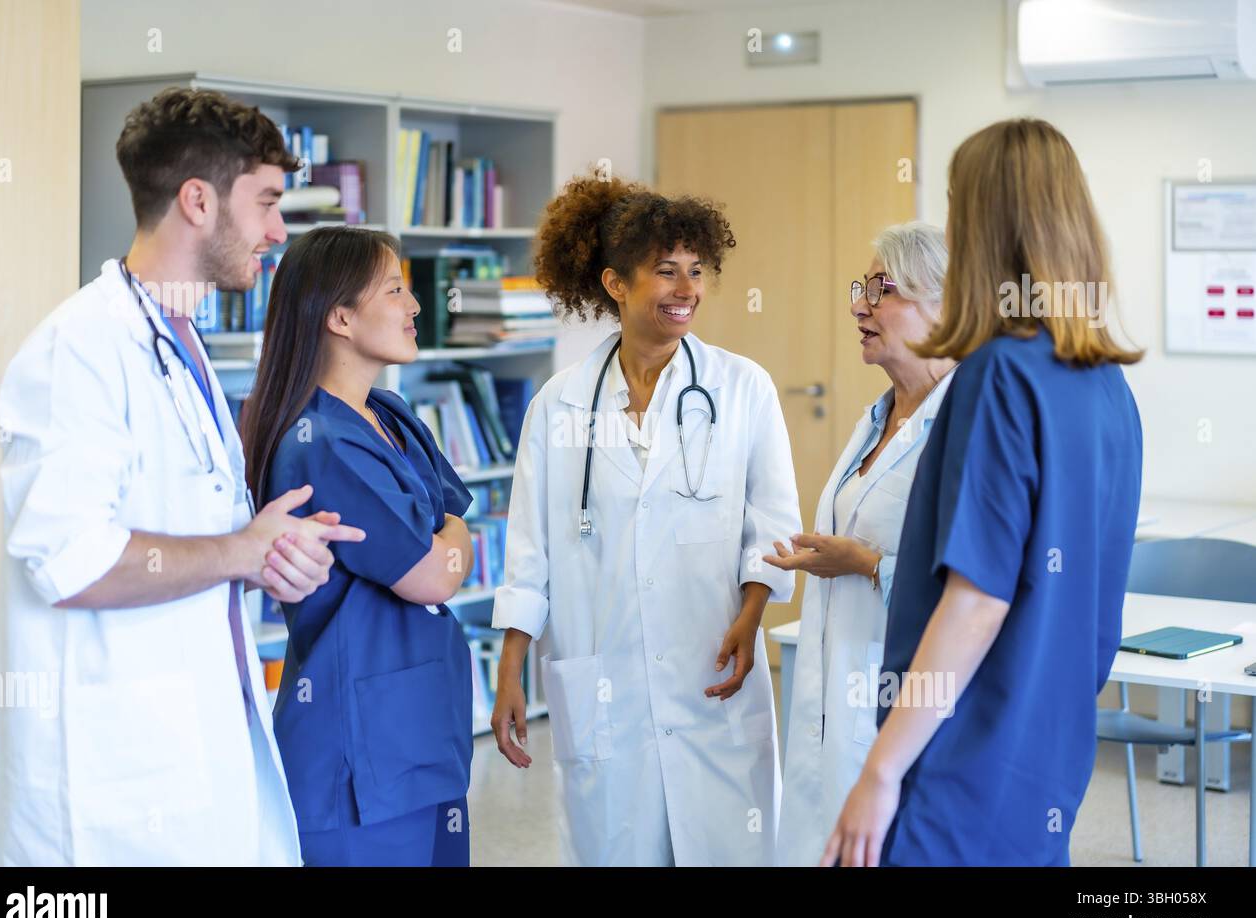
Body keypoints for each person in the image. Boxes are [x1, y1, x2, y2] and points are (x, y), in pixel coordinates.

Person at [0, 87, 364, 866]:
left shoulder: (179, 344)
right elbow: (74, 559)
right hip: (106, 794)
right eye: (264, 201)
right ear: (198, 200)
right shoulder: (81, 351)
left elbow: (200, 542)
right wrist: (240, 553)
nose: (277, 230)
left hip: (199, 752)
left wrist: (272, 560)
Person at [823, 118, 1143, 866]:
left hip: (960, 755)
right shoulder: (1106, 386)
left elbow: (976, 600)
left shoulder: (999, 375)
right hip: (1046, 756)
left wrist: (881, 769)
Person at [489, 175, 801, 866]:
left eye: (697, 270)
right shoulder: (559, 404)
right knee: (615, 846)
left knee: (727, 845)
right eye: (665, 272)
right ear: (616, 283)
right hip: (607, 680)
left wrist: (753, 616)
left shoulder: (742, 388)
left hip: (712, 665)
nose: (686, 288)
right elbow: (529, 550)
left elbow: (772, 525)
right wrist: (511, 666)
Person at [241, 226, 476, 866]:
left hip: (424, 728)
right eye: (396, 289)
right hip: (357, 753)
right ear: (341, 316)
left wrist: (447, 544)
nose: (416, 304)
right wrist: (447, 542)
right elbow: (433, 574)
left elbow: (457, 540)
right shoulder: (321, 441)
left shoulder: (391, 414)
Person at [769, 222, 956, 867]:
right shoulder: (879, 417)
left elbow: (973, 589)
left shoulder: (963, 424)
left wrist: (867, 564)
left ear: (946, 305)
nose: (858, 305)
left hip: (902, 708)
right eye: (862, 287)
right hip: (830, 700)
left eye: (883, 289)